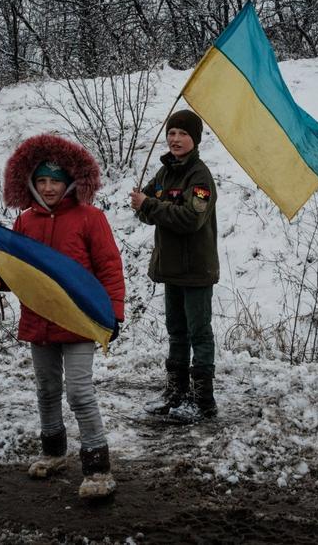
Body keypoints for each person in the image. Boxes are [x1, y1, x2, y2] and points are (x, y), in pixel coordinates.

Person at [0, 133, 125, 499]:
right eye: (42, 181)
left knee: (79, 392)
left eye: (56, 181)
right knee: (46, 390)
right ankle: (53, 451)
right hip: (38, 320)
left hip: (79, 321)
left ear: (70, 182)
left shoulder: (90, 218)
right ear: (31, 182)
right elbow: (19, 271)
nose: (48, 188)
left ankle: (97, 467)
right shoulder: (25, 223)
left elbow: (109, 268)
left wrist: (115, 314)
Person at [130, 109, 219, 423]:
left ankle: (203, 400)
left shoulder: (200, 176)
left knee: (199, 332)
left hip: (196, 270)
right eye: (172, 133)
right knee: (176, 332)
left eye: (182, 134)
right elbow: (147, 210)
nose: (175, 139)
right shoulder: (166, 172)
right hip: (171, 269)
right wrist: (142, 203)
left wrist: (150, 205)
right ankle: (176, 392)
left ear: (194, 139)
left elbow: (191, 219)